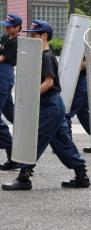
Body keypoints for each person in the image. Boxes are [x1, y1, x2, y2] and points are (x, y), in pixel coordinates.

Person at [1, 20, 90, 190]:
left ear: (44, 36)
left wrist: (29, 95)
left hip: (50, 105)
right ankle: (81, 175)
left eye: (34, 34)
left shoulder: (46, 56)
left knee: (35, 140)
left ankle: (24, 178)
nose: (31, 37)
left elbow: (49, 82)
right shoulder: (39, 56)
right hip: (52, 105)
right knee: (62, 142)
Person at [65, 60, 91, 154]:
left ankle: (67, 144)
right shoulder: (78, 45)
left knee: (65, 112)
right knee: (85, 115)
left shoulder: (78, 45)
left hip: (77, 84)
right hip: (80, 83)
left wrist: (70, 66)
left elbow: (86, 62)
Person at [0, 14, 22, 170]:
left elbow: (1, 58)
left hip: (4, 76)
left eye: (9, 26)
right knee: (10, 111)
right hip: (2, 75)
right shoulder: (5, 37)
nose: (7, 28)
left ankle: (13, 153)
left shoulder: (15, 42)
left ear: (18, 27)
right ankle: (26, 132)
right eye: (6, 25)